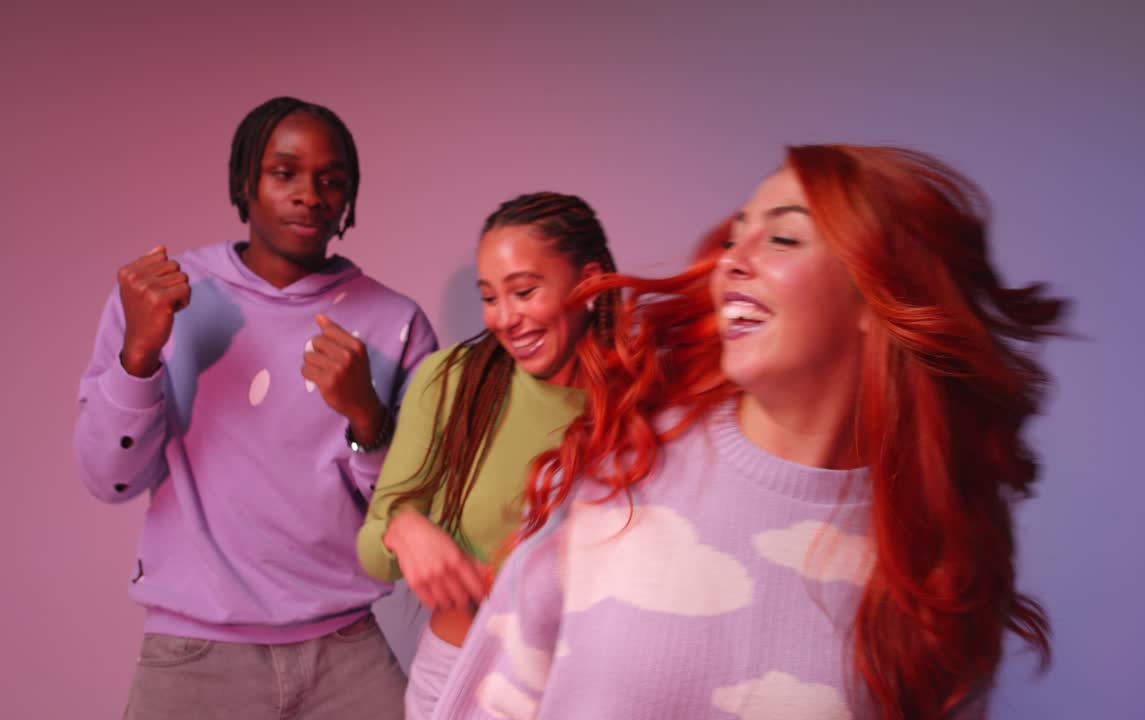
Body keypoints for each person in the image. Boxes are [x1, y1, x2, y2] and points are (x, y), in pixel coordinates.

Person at [429, 145, 1066, 720]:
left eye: (784, 239)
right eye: (735, 236)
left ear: (878, 297)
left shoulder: (938, 556)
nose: (733, 260)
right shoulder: (625, 454)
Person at [73, 96, 437, 719]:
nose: (311, 195)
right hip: (194, 653)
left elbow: (412, 522)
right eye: (285, 173)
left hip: (344, 649)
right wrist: (139, 352)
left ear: (348, 199)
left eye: (332, 180)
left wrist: (367, 418)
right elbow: (108, 479)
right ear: (245, 181)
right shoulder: (163, 299)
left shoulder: (395, 322)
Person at [356, 192, 620, 717]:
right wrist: (403, 527)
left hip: (595, 686)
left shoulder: (643, 399)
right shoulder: (453, 379)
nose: (505, 319)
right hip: (459, 677)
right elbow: (373, 554)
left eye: (523, 291)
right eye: (490, 297)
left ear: (589, 283)